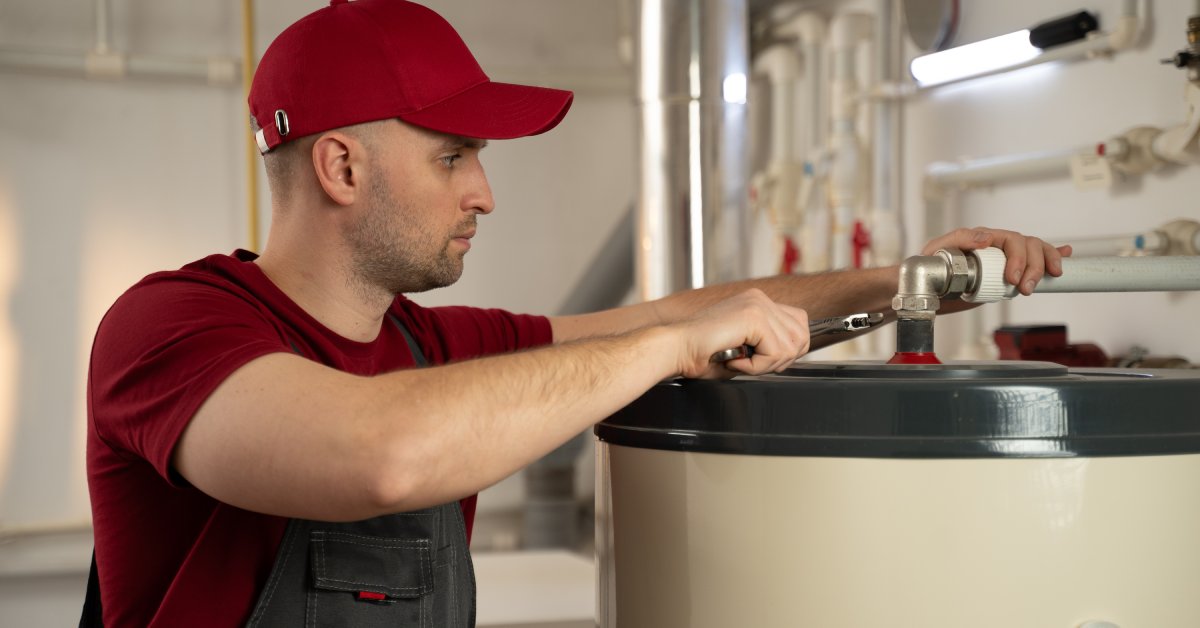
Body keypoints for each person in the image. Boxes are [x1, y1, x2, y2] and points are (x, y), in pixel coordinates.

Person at [83, 0, 1071, 626]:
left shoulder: (431, 343)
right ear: (342, 166)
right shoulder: (174, 325)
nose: (484, 193)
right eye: (452, 156)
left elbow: (700, 310)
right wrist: (669, 344)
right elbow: (378, 455)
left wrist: (906, 277)